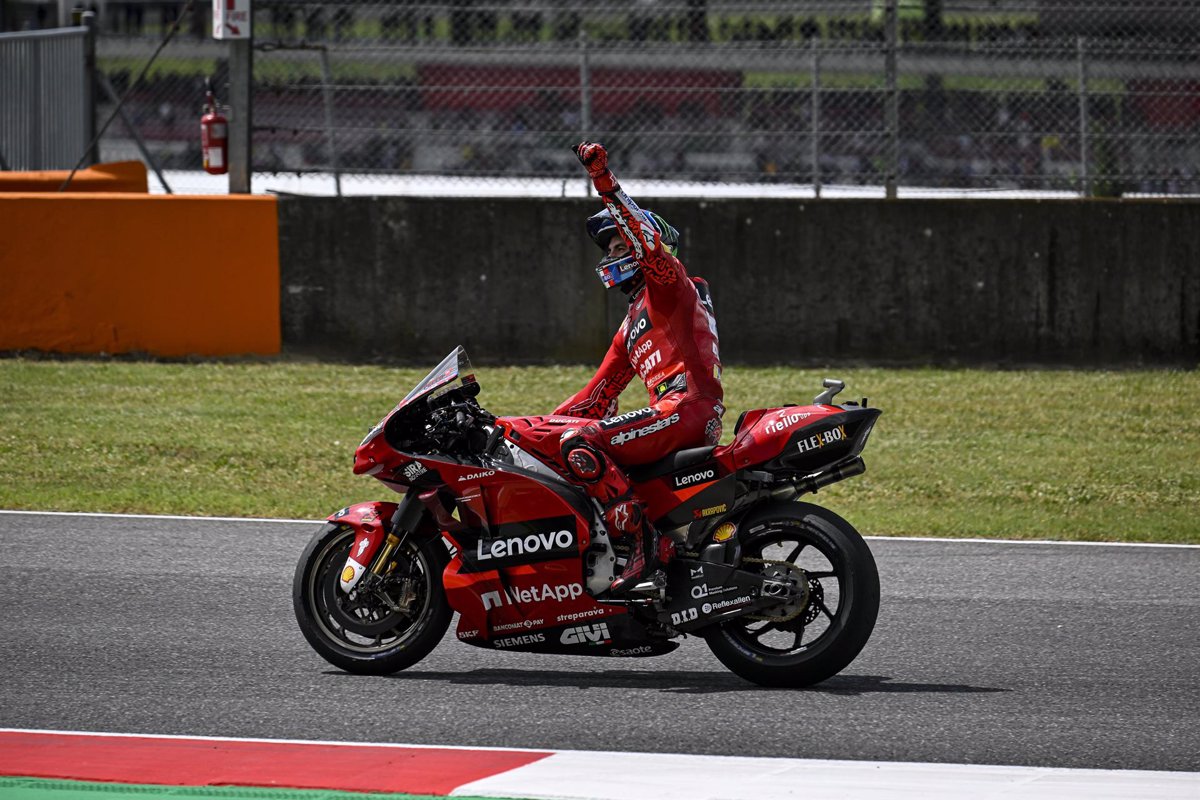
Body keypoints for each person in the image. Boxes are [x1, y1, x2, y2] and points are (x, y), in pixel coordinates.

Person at [498, 142, 724, 596]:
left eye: (620, 245)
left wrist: (604, 179)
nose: (610, 256)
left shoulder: (669, 286)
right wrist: (514, 432)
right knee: (574, 436)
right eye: (610, 248)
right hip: (676, 414)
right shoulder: (634, 322)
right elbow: (592, 399)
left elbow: (646, 242)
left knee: (583, 441)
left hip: (686, 407)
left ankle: (642, 546)